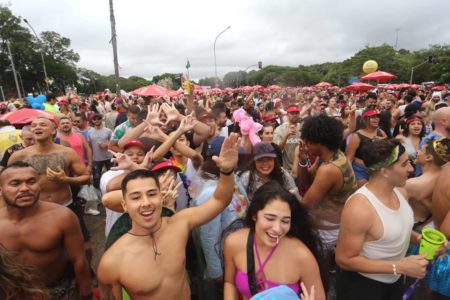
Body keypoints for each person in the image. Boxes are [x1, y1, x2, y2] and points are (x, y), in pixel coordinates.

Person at [97, 133, 241, 300]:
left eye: (152, 194)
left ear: (161, 196)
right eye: (136, 197)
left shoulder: (179, 224)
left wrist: (227, 170)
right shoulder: (112, 261)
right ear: (124, 205)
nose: (146, 203)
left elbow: (220, 200)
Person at [335, 139, 429, 300]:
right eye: (405, 164)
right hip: (364, 288)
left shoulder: (399, 191)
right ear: (385, 172)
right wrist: (399, 266)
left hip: (394, 280)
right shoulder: (360, 208)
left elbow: (392, 231)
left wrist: (421, 239)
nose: (411, 169)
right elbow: (344, 259)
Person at [0, 162, 91, 299]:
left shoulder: (63, 216)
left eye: (31, 182)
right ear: (1, 189)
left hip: (57, 290)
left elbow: (79, 260)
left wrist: (86, 294)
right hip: (10, 292)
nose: (25, 188)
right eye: (15, 183)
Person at [223, 181, 325, 300]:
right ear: (254, 215)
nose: (277, 229)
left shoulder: (302, 257)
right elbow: (229, 283)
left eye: (285, 221)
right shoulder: (233, 243)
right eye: (270, 218)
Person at [8, 117, 92, 240]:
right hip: (34, 210)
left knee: (84, 246)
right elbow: (7, 183)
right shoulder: (19, 156)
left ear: (53, 131)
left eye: (42, 125)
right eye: (34, 125)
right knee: (44, 248)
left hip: (65, 206)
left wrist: (66, 180)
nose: (37, 127)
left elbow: (87, 177)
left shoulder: (67, 152)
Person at [296, 115, 357, 279]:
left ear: (319, 142)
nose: (305, 144)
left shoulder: (329, 169)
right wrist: (302, 160)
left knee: (316, 268)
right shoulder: (331, 155)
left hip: (328, 228)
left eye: (308, 141)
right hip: (331, 221)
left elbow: (305, 204)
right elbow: (306, 180)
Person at [346, 108, 387, 187]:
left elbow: (389, 149)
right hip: (360, 171)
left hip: (377, 170)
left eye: (377, 116)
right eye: (372, 117)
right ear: (365, 119)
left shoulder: (380, 132)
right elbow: (349, 158)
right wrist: (349, 178)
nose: (376, 119)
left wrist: (383, 141)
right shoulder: (356, 136)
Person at [88, 113, 113, 189]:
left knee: (111, 176)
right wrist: (91, 158)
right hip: (96, 159)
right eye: (94, 119)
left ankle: (110, 189)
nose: (97, 121)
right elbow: (89, 146)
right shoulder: (90, 132)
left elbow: (113, 143)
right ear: (92, 121)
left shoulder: (108, 131)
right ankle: (98, 193)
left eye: (98, 119)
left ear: (102, 119)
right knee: (96, 178)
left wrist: (106, 144)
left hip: (108, 157)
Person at [273, 105, 301, 172]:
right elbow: (278, 149)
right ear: (288, 115)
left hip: (301, 168)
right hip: (286, 169)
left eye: (297, 113)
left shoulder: (304, 128)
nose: (295, 115)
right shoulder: (280, 129)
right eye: (292, 113)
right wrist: (286, 135)